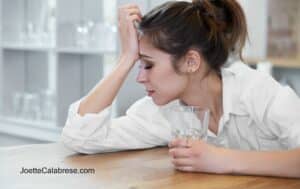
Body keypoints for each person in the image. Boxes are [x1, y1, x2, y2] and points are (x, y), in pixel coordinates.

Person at [61, 0, 300, 178]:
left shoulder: (256, 91)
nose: (139, 78)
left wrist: (222, 160)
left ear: (191, 62)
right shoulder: (163, 111)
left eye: (148, 64)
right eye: (138, 63)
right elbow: (80, 136)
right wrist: (125, 58)